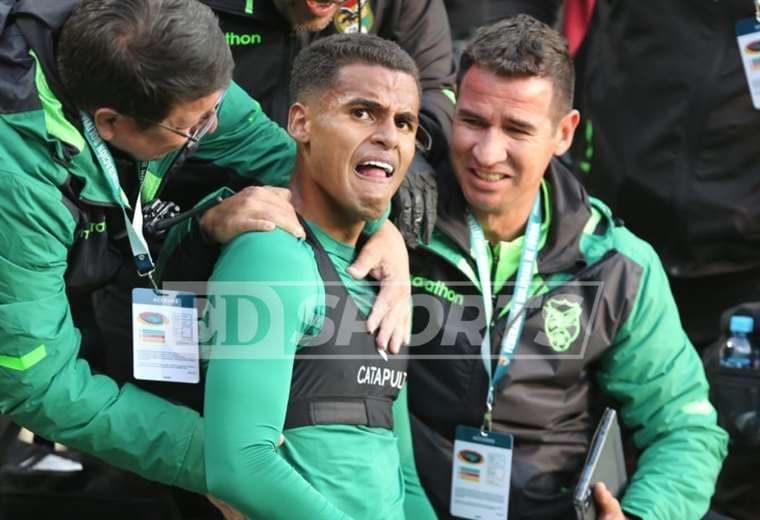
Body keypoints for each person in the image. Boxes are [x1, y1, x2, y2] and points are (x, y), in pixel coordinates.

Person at [0, 0, 408, 504]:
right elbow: (38, 382)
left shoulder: (161, 55)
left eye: (216, 106)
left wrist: (376, 223)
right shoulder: (18, 179)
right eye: (193, 128)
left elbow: (266, 147)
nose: (212, 129)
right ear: (110, 122)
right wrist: (223, 460)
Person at [405, 15, 728, 520]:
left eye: (516, 129)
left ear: (563, 133)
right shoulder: (396, 226)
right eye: (472, 121)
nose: (487, 153)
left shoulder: (618, 266)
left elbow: (683, 429)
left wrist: (641, 514)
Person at [203, 33, 435, 519]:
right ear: (301, 123)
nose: (389, 136)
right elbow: (238, 464)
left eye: (405, 122)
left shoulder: (386, 276)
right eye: (362, 112)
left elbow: (403, 469)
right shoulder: (271, 256)